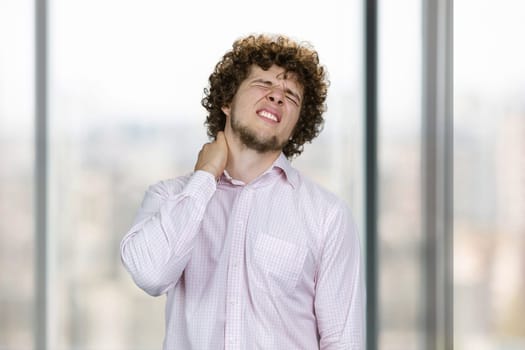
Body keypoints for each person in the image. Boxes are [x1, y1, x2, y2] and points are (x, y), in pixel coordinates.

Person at [120, 34, 365, 349]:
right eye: (263, 84)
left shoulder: (327, 215)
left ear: (296, 125)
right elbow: (150, 275)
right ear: (227, 101)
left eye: (291, 95)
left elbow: (344, 340)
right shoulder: (169, 198)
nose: (277, 96)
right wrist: (205, 176)